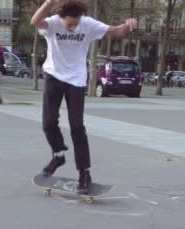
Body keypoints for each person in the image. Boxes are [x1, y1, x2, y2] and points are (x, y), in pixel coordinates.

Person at [31, 0, 137, 194]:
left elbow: (116, 31)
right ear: (61, 18)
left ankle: (84, 173)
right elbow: (35, 21)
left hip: (77, 80)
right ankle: (58, 154)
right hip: (53, 76)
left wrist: (128, 25)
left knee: (77, 127)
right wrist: (50, 2)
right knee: (48, 123)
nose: (72, 28)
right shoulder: (53, 23)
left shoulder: (87, 23)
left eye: (75, 24)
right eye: (69, 24)